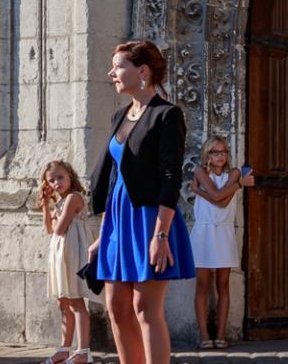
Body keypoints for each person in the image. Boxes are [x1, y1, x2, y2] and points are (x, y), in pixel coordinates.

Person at [90, 39, 195, 364]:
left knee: (145, 308)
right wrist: (103, 233)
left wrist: (161, 235)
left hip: (150, 219)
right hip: (118, 222)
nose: (112, 73)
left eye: (119, 66)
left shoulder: (167, 115)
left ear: (143, 71)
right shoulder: (120, 116)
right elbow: (113, 179)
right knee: (117, 309)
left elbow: (170, 177)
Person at [189, 136, 254, 349]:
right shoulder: (200, 171)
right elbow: (218, 196)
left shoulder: (234, 173)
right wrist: (238, 186)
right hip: (203, 233)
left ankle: (220, 334)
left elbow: (220, 199)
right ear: (208, 154)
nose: (220, 156)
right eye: (215, 152)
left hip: (224, 233)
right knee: (202, 285)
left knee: (223, 285)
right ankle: (204, 335)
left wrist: (198, 191)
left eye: (223, 152)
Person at [39, 160, 92, 364]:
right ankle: (64, 348)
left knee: (76, 301)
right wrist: (45, 204)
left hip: (73, 252)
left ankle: (83, 351)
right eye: (51, 180)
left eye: (60, 177)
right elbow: (49, 230)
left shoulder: (73, 198)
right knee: (63, 301)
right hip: (60, 251)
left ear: (70, 175)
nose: (56, 183)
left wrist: (55, 215)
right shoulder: (60, 202)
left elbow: (60, 229)